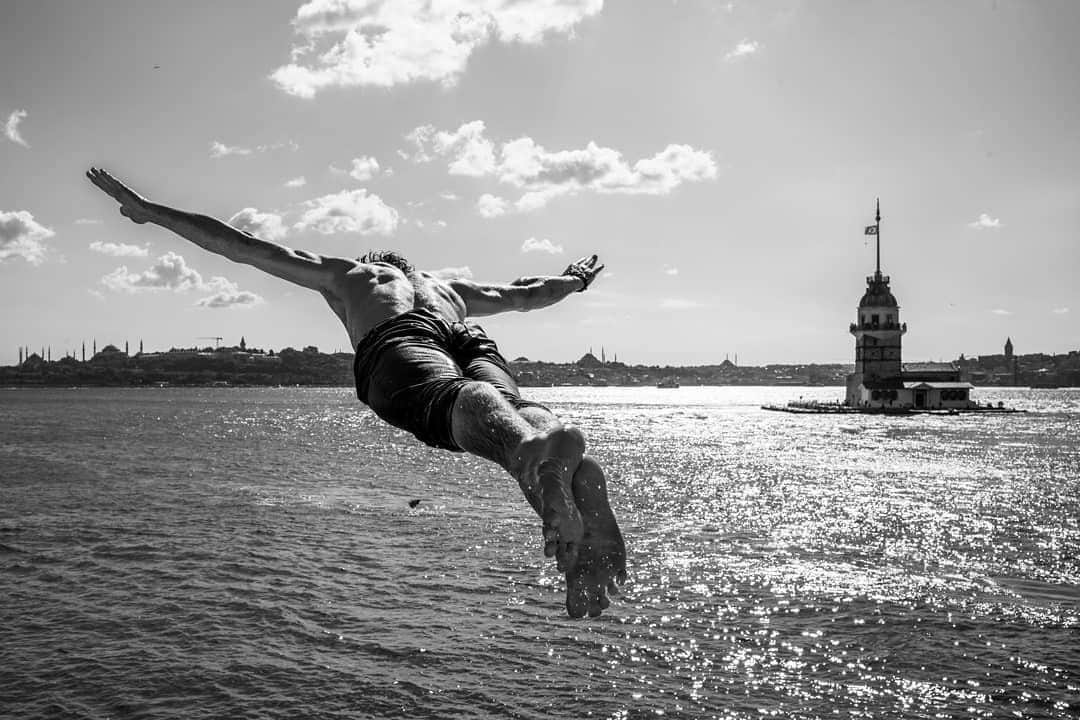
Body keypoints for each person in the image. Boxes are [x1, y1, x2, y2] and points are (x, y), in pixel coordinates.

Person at [86, 167, 626, 618]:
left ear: (379, 262)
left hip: (400, 340)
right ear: (413, 269)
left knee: (447, 401)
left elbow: (243, 246)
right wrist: (576, 278)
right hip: (469, 335)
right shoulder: (451, 289)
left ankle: (532, 457)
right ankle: (556, 457)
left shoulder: (353, 275)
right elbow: (530, 295)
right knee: (518, 410)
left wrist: (150, 211)